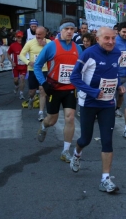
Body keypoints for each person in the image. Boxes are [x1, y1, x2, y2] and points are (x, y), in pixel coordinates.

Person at [69, 27, 125, 193]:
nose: (110, 42)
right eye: (106, 38)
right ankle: (77, 154)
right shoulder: (88, 53)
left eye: (113, 38)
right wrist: (92, 91)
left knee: (107, 140)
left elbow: (115, 73)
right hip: (89, 102)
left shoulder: (117, 53)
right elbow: (74, 77)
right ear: (98, 38)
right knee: (85, 139)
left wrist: (119, 85)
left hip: (107, 103)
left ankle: (105, 179)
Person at [34, 18, 82, 163]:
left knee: (70, 117)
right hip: (54, 89)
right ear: (60, 30)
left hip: (70, 89)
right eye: (66, 29)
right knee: (52, 120)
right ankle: (44, 125)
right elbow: (37, 66)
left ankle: (65, 151)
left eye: (72, 29)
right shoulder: (51, 46)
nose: (69, 31)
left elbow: (82, 68)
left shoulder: (77, 48)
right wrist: (43, 83)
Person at [19, 26, 51, 121]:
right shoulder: (30, 43)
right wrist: (28, 62)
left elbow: (55, 53)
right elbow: (21, 55)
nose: (37, 36)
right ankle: (31, 99)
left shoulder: (49, 43)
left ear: (45, 34)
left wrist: (45, 46)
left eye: (40, 35)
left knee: (42, 90)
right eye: (36, 34)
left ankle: (41, 112)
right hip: (33, 70)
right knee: (31, 92)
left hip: (44, 70)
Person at [7, 31, 27, 100]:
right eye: (18, 37)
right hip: (15, 66)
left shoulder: (26, 45)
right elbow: (8, 54)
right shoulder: (13, 45)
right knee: (16, 80)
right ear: (16, 37)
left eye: (21, 37)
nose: (20, 39)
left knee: (22, 79)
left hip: (23, 65)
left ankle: (21, 93)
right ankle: (16, 85)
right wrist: (12, 62)